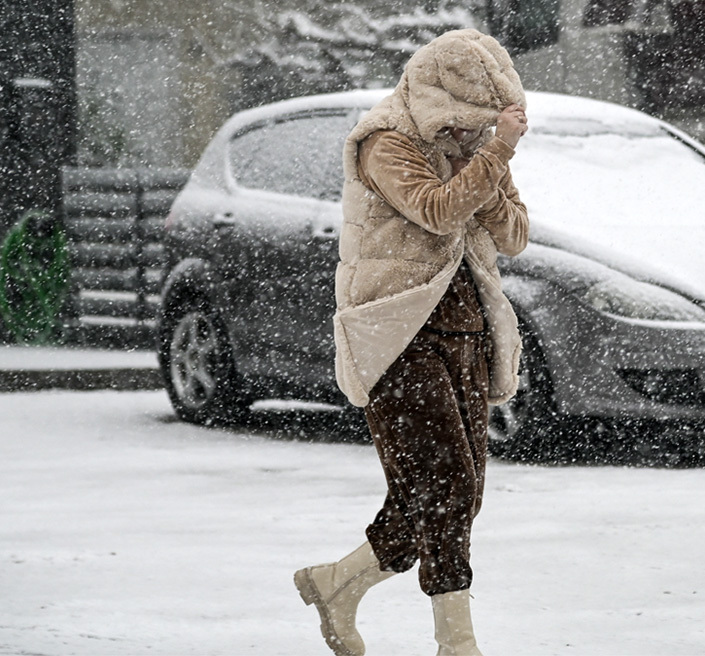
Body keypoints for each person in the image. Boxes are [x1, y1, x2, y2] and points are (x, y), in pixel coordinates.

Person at [293, 29, 529, 656]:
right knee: (447, 484)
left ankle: (338, 584)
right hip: (395, 334)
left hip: (466, 330)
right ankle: (457, 642)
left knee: (447, 494)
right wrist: (494, 155)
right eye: (462, 121)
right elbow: (437, 210)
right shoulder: (385, 142)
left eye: (478, 125)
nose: (467, 133)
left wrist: (488, 167)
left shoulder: (475, 150)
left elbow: (514, 235)